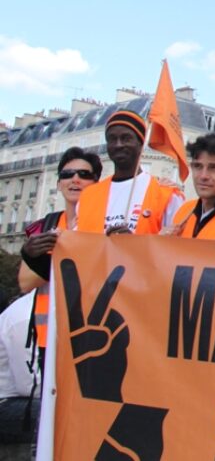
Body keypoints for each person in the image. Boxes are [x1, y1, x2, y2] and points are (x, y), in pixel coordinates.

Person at [18, 147, 103, 370]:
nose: (75, 179)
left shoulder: (104, 226)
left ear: (97, 184)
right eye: (67, 174)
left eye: (84, 175)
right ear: (58, 184)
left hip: (92, 339)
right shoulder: (46, 225)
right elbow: (25, 282)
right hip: (50, 339)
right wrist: (60, 249)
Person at [74, 109, 184, 235]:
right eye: (112, 139)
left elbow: (177, 248)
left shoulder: (166, 194)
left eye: (126, 138)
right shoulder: (88, 196)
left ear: (140, 143)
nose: (118, 145)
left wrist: (132, 244)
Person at [0, 292, 37, 445]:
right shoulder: (24, 317)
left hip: (22, 397)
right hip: (6, 403)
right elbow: (29, 386)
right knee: (67, 413)